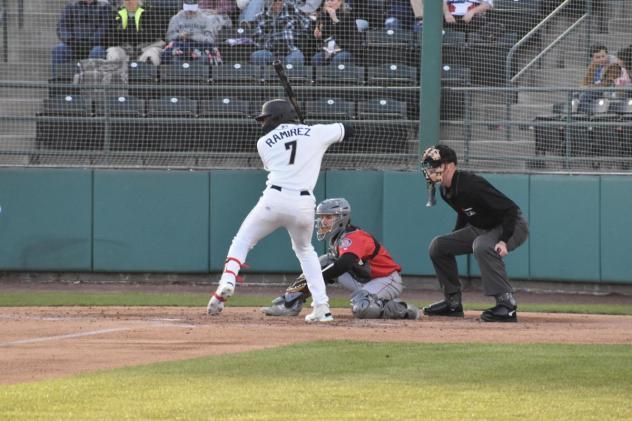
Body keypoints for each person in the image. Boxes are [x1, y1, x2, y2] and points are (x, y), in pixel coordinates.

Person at [207, 99, 354, 323]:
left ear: (277, 117)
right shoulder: (316, 132)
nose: (263, 123)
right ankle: (322, 307)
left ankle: (227, 282)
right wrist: (318, 135)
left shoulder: (264, 142)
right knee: (306, 252)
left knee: (243, 240)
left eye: (266, 118)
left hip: (274, 199)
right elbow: (349, 130)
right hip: (304, 204)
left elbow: (288, 152)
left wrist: (310, 135)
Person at [421, 145, 529, 323]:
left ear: (450, 166)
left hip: (512, 225)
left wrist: (503, 241)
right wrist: (455, 236)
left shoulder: (471, 184)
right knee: (438, 246)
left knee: (482, 245)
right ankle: (453, 304)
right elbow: (463, 212)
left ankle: (507, 305)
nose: (430, 169)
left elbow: (510, 209)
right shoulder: (444, 190)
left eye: (435, 164)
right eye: (428, 165)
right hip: (482, 227)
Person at [261, 198, 419, 320]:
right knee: (321, 263)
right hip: (363, 278)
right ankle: (289, 303)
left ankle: (402, 309)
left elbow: (345, 263)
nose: (323, 221)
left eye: (328, 217)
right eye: (322, 217)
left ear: (341, 218)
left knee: (362, 308)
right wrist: (315, 275)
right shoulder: (337, 238)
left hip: (387, 280)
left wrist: (317, 278)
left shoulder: (354, 237)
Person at [52, 0, 110, 79]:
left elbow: (105, 28)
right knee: (59, 49)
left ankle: (92, 84)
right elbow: (62, 27)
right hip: (73, 44)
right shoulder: (71, 6)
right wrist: (70, 40)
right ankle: (60, 84)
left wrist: (91, 41)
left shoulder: (104, 7)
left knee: (97, 51)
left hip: (94, 45)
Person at [161, 0, 229, 64]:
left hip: (200, 46)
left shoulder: (205, 19)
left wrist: (193, 36)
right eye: (188, 9)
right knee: (170, 54)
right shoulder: (176, 18)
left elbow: (211, 39)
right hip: (181, 44)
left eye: (192, 9)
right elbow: (168, 37)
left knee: (207, 56)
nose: (190, 11)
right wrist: (179, 35)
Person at [249, 0, 311, 65]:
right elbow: (256, 39)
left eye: (280, 0)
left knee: (296, 57)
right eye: (275, 1)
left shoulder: (292, 11)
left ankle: (287, 75)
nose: (278, 2)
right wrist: (271, 42)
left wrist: (297, 36)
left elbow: (307, 24)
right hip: (270, 52)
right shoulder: (260, 17)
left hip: (291, 50)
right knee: (257, 56)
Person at [105, 0, 166, 65]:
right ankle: (116, 75)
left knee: (153, 53)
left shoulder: (152, 13)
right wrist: (123, 46)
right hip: (124, 52)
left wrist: (143, 48)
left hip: (146, 50)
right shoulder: (116, 14)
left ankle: (149, 74)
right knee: (113, 52)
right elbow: (109, 40)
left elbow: (162, 42)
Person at [311, 0, 360, 65]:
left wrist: (335, 19)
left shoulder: (348, 15)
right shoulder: (323, 16)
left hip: (344, 49)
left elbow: (350, 37)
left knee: (338, 59)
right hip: (326, 50)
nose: (329, 3)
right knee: (316, 59)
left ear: (340, 2)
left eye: (332, 0)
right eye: (327, 0)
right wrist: (317, 34)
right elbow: (318, 40)